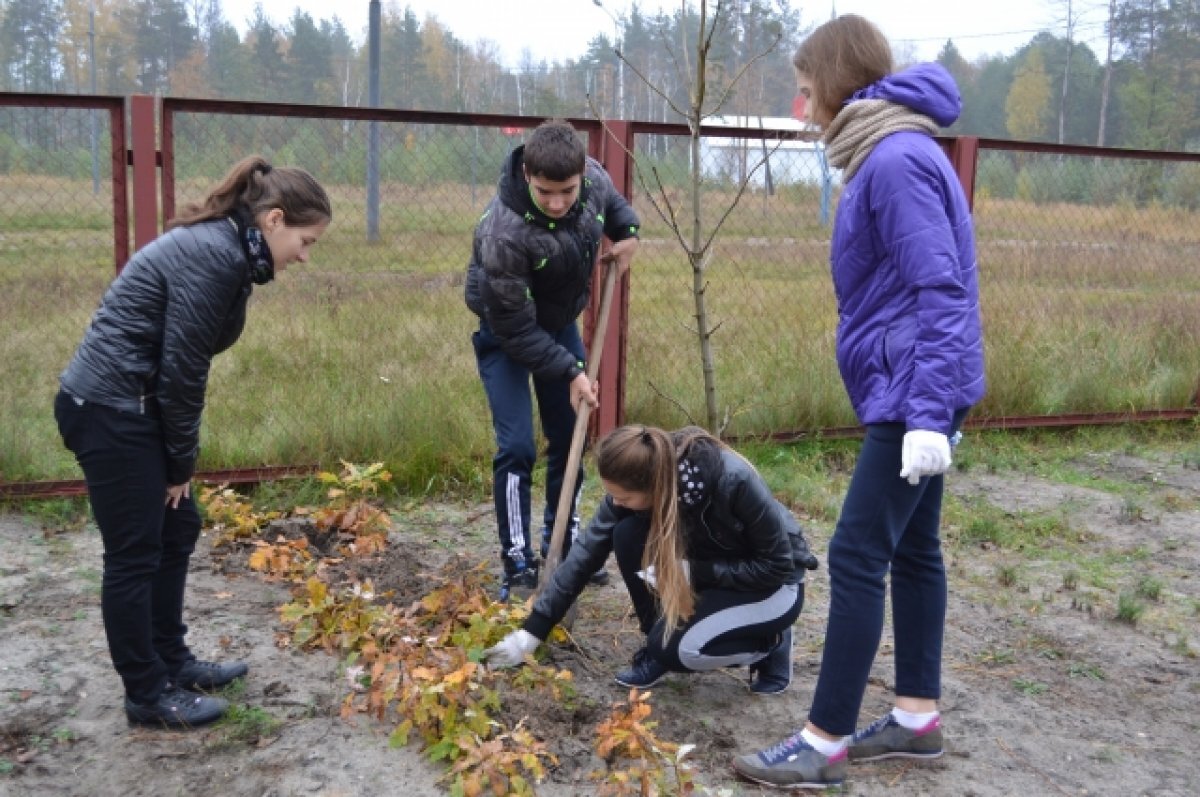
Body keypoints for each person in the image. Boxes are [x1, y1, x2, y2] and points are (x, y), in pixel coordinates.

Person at [732, 14, 986, 789]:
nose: (802, 111)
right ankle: (915, 718)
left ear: (839, 86)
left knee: (855, 553)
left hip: (914, 389)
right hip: (909, 381)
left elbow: (940, 286)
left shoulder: (897, 160)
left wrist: (927, 412)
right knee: (912, 550)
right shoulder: (887, 151)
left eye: (808, 93)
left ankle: (825, 739)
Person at [54, 156, 331, 729]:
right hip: (110, 408)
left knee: (178, 526)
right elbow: (183, 373)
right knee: (134, 553)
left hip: (132, 405)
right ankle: (147, 691)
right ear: (274, 220)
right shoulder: (216, 254)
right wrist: (180, 464)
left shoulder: (233, 251)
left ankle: (172, 659)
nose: (305, 255)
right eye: (305, 241)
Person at [485, 425, 819, 694]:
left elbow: (776, 567)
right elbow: (586, 553)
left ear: (653, 486)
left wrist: (696, 572)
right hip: (716, 574)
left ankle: (770, 644)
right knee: (627, 534)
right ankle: (656, 644)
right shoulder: (642, 478)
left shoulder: (732, 480)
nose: (617, 503)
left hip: (773, 586)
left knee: (684, 652)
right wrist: (532, 631)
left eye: (624, 497)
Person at [465, 118, 641, 601]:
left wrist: (627, 233)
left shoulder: (594, 180)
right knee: (517, 445)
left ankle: (561, 546)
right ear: (526, 175)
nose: (559, 202)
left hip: (560, 325)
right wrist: (569, 370)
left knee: (571, 433)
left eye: (567, 190)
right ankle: (518, 561)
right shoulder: (503, 233)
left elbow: (613, 205)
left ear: (581, 174)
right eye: (546, 192)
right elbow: (516, 329)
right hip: (505, 334)